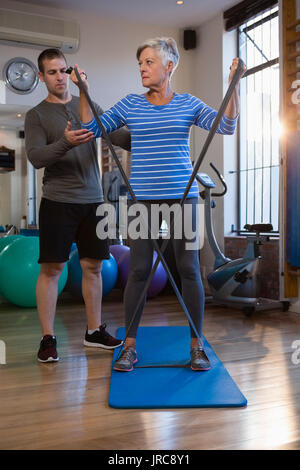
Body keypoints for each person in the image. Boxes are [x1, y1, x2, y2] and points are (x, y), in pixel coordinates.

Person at [71, 37, 245, 372]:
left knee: (189, 269)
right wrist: (83, 91)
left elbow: (226, 125)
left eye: (149, 62)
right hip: (142, 201)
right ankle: (130, 347)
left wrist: (232, 85)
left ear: (169, 66)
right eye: (140, 64)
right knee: (137, 271)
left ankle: (197, 346)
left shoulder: (188, 104)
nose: (142, 69)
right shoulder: (131, 105)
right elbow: (92, 126)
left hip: (184, 198)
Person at [25, 48, 131, 363]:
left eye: (63, 70)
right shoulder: (37, 115)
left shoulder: (87, 105)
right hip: (58, 200)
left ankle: (94, 331)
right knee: (52, 269)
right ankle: (48, 338)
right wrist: (66, 142)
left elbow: (121, 136)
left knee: (94, 267)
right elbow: (35, 157)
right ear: (42, 77)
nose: (60, 77)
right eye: (53, 72)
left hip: (93, 201)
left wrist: (155, 131)